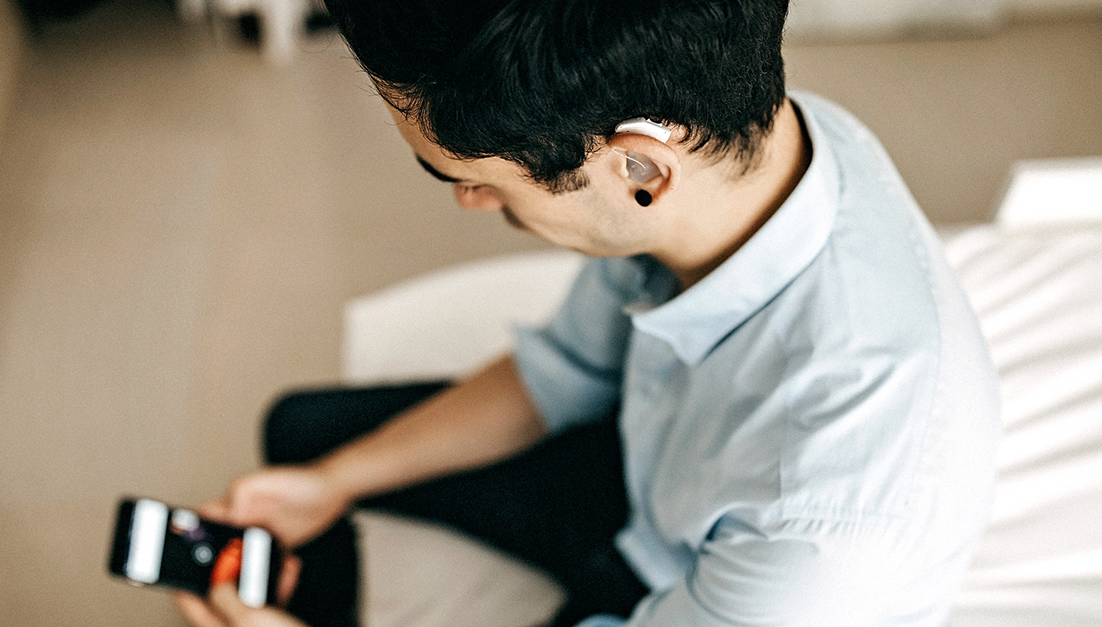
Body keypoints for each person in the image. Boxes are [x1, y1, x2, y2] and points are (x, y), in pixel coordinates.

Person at [175, 1, 1002, 626]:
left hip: (694, 578)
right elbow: (564, 373)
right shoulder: (735, 145)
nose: (468, 201)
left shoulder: (826, 530)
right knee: (300, 439)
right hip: (645, 470)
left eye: (472, 177)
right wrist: (331, 483)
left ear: (638, 167)